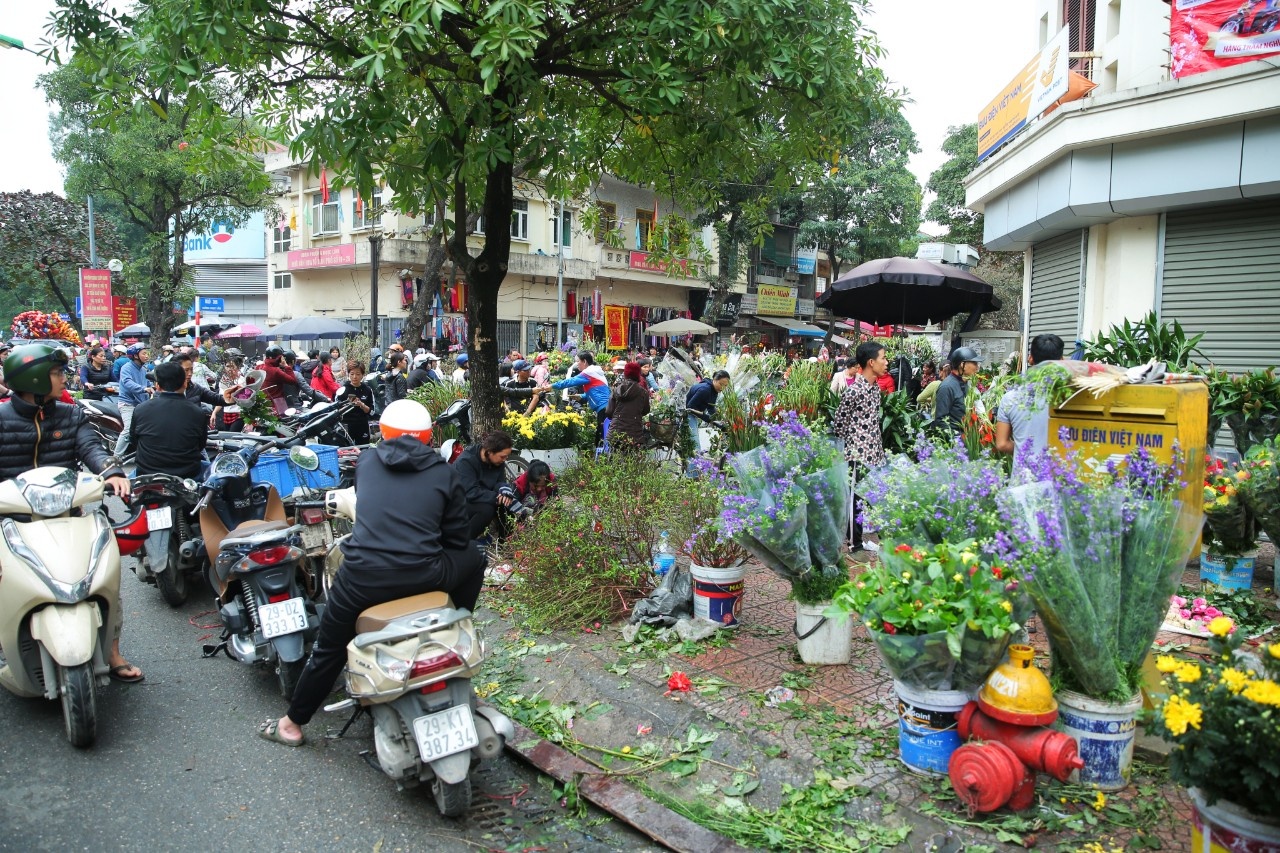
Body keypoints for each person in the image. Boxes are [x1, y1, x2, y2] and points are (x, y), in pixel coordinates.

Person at [257, 400, 484, 748]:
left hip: (363, 580)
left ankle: (292, 723)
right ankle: (456, 619)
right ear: (428, 436)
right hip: (427, 575)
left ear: (384, 433)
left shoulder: (366, 462)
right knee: (475, 557)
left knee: (328, 649)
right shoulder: (444, 472)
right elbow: (457, 537)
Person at [0, 344, 142, 683]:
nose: (64, 377)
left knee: (101, 575)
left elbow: (90, 447)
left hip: (67, 513)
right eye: (57, 372)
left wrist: (112, 472)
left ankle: (112, 650)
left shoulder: (69, 414)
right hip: (11, 519)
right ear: (34, 378)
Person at [831, 341, 889, 553]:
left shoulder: (874, 389)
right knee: (855, 498)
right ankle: (854, 544)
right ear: (871, 362)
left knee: (869, 496)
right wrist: (855, 444)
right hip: (857, 454)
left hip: (874, 453)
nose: (886, 362)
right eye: (883, 358)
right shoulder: (854, 391)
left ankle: (866, 538)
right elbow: (840, 424)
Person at [127, 361, 222, 480]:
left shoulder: (140, 409)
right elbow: (200, 445)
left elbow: (133, 440)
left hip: (147, 472)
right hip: (188, 473)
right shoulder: (198, 412)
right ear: (185, 383)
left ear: (157, 386)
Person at [995, 333, 1065, 472]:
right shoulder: (1070, 398)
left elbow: (1002, 444)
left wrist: (1027, 450)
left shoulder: (1010, 398)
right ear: (1062, 360)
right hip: (1058, 480)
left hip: (1023, 480)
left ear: (1030, 358)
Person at [454, 430, 516, 540]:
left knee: (507, 501)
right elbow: (471, 492)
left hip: (482, 495)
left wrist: (504, 490)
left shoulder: (497, 461)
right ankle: (463, 542)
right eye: (502, 456)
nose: (505, 460)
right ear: (489, 452)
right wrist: (498, 497)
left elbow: (499, 482)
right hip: (459, 502)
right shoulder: (466, 461)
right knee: (487, 509)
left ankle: (505, 541)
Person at [543, 352, 611, 442]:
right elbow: (597, 392)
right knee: (602, 434)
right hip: (606, 406)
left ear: (584, 361)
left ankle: (603, 455)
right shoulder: (596, 372)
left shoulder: (589, 372)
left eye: (578, 361)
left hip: (603, 408)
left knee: (602, 436)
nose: (576, 364)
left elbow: (570, 382)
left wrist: (552, 386)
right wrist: (581, 396)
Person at [114, 345, 154, 456]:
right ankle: (116, 458)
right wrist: (144, 389)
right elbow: (127, 383)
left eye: (147, 353)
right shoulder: (126, 368)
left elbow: (150, 383)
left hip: (142, 405)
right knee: (128, 429)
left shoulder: (144, 369)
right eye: (144, 353)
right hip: (128, 404)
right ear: (136, 356)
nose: (146, 356)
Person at [604, 361, 651, 451]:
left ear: (626, 374)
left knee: (615, 458)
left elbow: (609, 412)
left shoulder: (616, 389)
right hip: (634, 432)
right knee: (632, 459)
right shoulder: (643, 392)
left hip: (616, 431)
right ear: (638, 374)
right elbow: (646, 410)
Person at [935, 347, 980, 434]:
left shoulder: (965, 383)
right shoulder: (947, 387)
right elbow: (941, 421)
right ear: (962, 365)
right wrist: (958, 442)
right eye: (974, 363)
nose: (977, 367)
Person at [334, 362, 375, 443]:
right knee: (347, 450)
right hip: (346, 425)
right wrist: (348, 405)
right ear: (348, 374)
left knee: (363, 449)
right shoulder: (342, 390)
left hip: (362, 424)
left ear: (363, 375)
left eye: (358, 374)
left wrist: (362, 405)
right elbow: (336, 411)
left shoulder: (367, 390)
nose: (354, 377)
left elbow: (372, 412)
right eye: (352, 374)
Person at [684, 369, 730, 440]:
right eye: (721, 384)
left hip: (693, 413)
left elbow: (711, 407)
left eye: (725, 386)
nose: (722, 388)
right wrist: (707, 418)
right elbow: (690, 407)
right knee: (694, 442)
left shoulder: (714, 391)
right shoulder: (705, 389)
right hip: (686, 413)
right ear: (714, 380)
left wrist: (719, 421)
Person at [260, 346, 301, 413]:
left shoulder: (261, 367)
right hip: (276, 404)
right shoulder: (275, 371)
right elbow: (292, 380)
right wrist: (286, 366)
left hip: (264, 403)